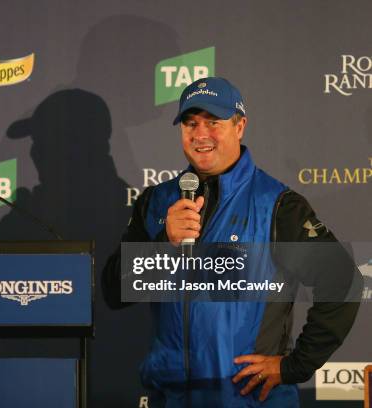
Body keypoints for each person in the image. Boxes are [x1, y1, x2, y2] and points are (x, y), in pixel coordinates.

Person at [102, 77, 361, 407]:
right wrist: (163, 244)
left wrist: (294, 366)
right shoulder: (157, 202)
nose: (200, 134)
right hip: (172, 399)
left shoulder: (278, 205)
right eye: (190, 123)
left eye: (214, 122)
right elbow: (114, 293)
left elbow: (344, 282)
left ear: (240, 127)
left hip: (248, 399)